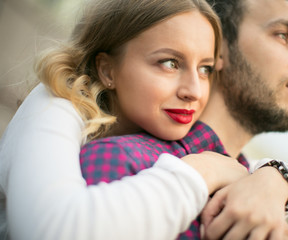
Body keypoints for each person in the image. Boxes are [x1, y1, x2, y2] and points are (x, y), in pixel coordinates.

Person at [0, 0, 248, 240]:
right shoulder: (54, 104)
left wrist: (277, 179)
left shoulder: (156, 119)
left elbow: (257, 169)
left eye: (205, 69)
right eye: (170, 63)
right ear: (107, 70)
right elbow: (50, 231)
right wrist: (203, 171)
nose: (194, 90)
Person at [80, 0, 288, 239]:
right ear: (219, 46)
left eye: (203, 68)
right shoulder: (122, 161)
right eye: (283, 35)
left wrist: (278, 177)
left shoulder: (260, 188)